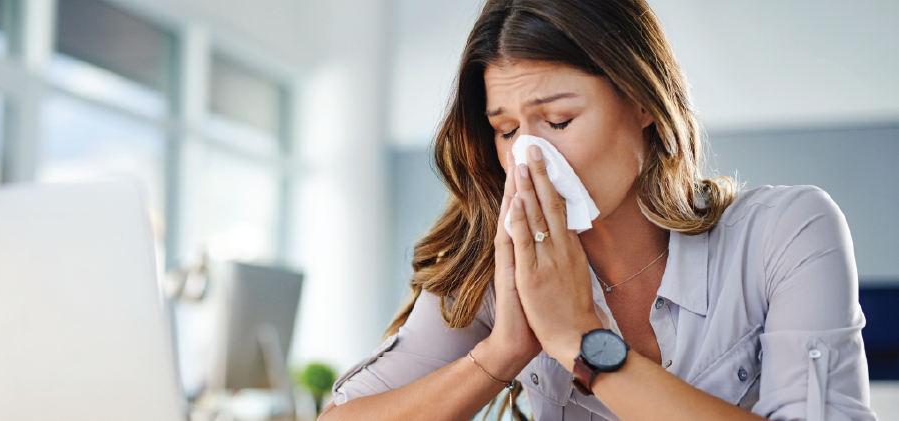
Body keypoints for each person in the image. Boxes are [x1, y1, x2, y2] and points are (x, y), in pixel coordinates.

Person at [318, 0, 877, 419]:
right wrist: (503, 350)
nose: (531, 157)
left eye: (558, 121)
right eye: (507, 130)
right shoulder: (500, 270)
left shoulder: (786, 233)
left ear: (641, 101)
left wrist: (583, 343)